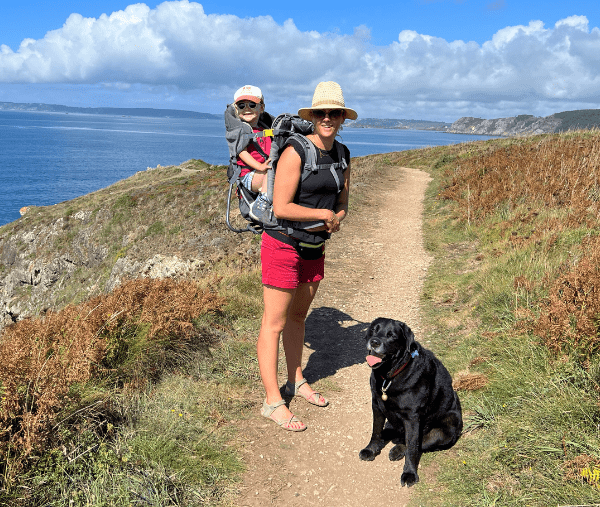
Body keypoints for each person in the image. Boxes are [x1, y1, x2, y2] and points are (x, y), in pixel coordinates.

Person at [257, 81, 357, 431]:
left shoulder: (343, 154)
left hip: (315, 247)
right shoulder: (296, 151)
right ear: (313, 116)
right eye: (321, 113)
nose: (328, 118)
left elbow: (342, 203)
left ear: (343, 117)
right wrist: (321, 217)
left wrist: (337, 218)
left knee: (298, 316)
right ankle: (272, 401)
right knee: (274, 323)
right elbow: (282, 206)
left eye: (335, 113)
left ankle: (295, 381)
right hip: (283, 244)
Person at [232, 85, 273, 223]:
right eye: (241, 105)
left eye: (252, 104)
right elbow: (241, 153)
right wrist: (259, 166)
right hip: (249, 175)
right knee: (272, 173)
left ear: (261, 107)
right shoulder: (239, 130)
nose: (247, 108)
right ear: (236, 109)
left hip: (261, 172)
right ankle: (260, 206)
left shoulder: (265, 129)